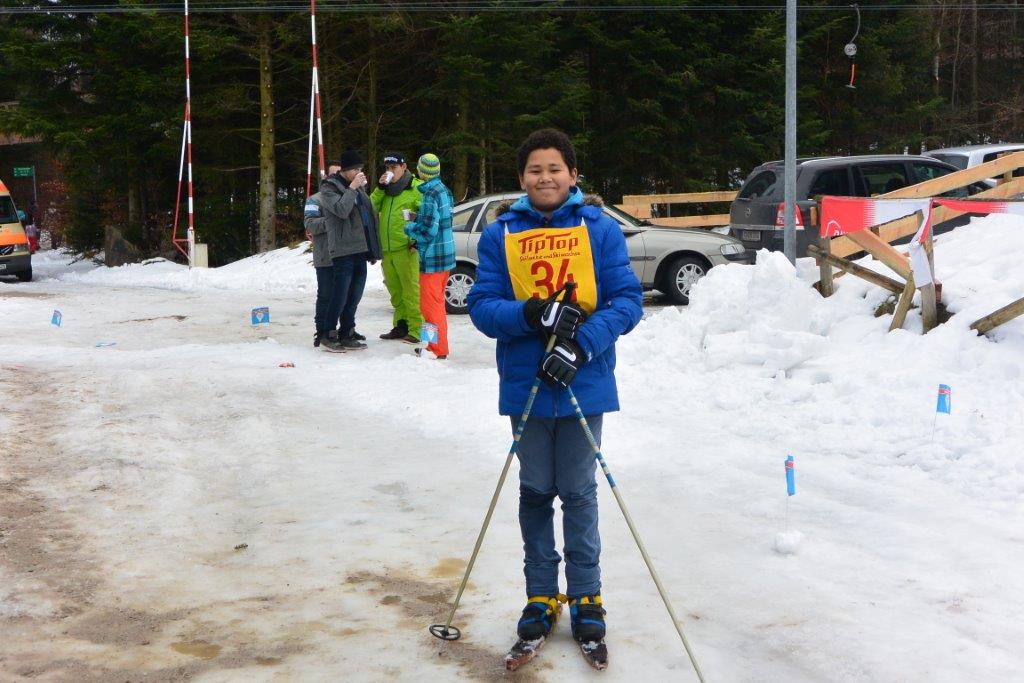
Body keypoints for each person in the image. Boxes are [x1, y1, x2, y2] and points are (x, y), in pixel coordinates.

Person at [466, 128, 643, 654]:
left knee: (580, 491)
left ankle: (587, 595)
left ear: (573, 174)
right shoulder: (500, 233)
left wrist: (580, 345)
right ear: (521, 178)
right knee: (536, 490)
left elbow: (626, 301)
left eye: (555, 169)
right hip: (527, 383)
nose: (546, 178)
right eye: (535, 170)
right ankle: (541, 594)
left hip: (582, 381)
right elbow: (482, 307)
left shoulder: (599, 229)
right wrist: (531, 313)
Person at [318, 151, 382, 351]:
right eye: (355, 169)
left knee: (355, 295)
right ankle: (328, 333)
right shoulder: (328, 188)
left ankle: (347, 331)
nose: (358, 172)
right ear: (345, 169)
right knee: (340, 295)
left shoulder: (359, 189)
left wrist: (372, 249)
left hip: (360, 249)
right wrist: (352, 188)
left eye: (360, 169)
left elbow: (368, 217)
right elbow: (341, 210)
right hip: (342, 249)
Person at [404, 153, 455, 359]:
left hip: (432, 259)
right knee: (437, 304)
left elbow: (428, 231)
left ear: (422, 172)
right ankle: (433, 344)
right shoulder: (444, 190)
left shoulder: (430, 194)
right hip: (445, 256)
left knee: (429, 306)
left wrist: (409, 227)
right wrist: (419, 218)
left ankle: (436, 349)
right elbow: (439, 221)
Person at [370, 151, 423, 343]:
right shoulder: (385, 190)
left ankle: (416, 330)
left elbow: (425, 216)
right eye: (387, 168)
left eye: (394, 167)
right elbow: (370, 206)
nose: (390, 171)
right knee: (395, 292)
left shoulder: (416, 188)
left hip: (406, 248)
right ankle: (401, 326)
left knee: (411, 291)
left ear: (404, 167)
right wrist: (380, 188)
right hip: (387, 249)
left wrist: (417, 240)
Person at [303, 189, 343, 351]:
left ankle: (344, 330)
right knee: (326, 295)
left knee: (344, 296)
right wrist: (332, 220)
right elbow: (310, 225)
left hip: (345, 255)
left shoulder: (345, 197)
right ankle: (321, 332)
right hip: (325, 256)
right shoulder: (314, 200)